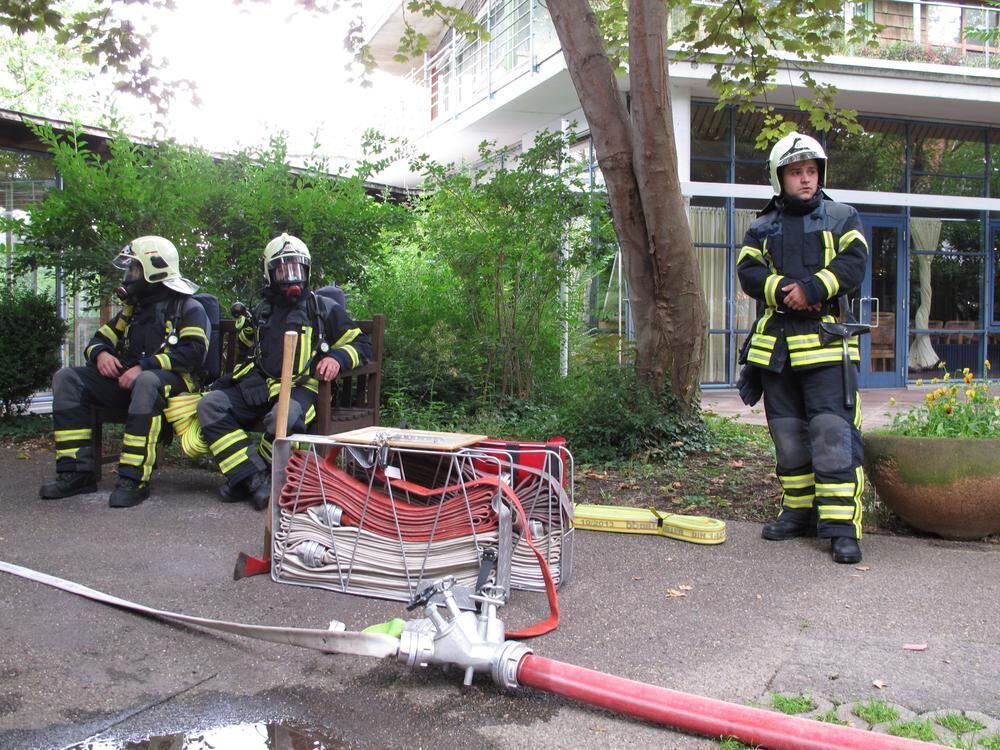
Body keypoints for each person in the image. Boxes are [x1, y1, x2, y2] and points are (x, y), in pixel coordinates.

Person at [736, 132, 869, 564]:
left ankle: (842, 528)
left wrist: (812, 288)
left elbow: (854, 264)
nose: (806, 179)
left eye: (811, 171)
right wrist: (781, 291)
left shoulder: (843, 217)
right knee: (788, 437)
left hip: (826, 346)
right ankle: (797, 512)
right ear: (780, 178)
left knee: (833, 435)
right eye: (797, 172)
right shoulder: (761, 226)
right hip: (777, 350)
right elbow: (748, 272)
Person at [196, 233, 372, 510]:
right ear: (270, 274)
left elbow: (361, 344)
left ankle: (262, 477)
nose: (292, 277)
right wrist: (247, 329)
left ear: (307, 270)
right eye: (283, 270)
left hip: (302, 389)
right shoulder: (263, 310)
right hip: (261, 386)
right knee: (210, 404)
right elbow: (248, 348)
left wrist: (337, 358)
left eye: (297, 268)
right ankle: (253, 477)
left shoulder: (322, 308)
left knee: (283, 415)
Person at [39, 236, 209, 508]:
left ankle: (133, 480)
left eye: (134, 268)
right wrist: (102, 354)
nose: (129, 274)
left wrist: (144, 366)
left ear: (155, 267)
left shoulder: (189, 308)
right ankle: (76, 474)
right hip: (132, 385)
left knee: (146, 381)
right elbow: (98, 341)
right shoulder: (132, 311)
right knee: (67, 378)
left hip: (171, 389)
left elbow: (193, 355)